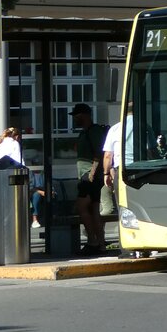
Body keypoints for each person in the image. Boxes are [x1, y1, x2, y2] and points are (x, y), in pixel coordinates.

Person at [72, 104, 109, 255]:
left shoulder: (93, 131)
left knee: (81, 207)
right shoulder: (85, 133)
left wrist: (92, 173)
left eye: (76, 115)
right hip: (89, 176)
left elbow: (98, 153)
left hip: (89, 176)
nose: (74, 118)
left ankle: (92, 242)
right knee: (94, 210)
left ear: (84, 115)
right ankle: (101, 245)